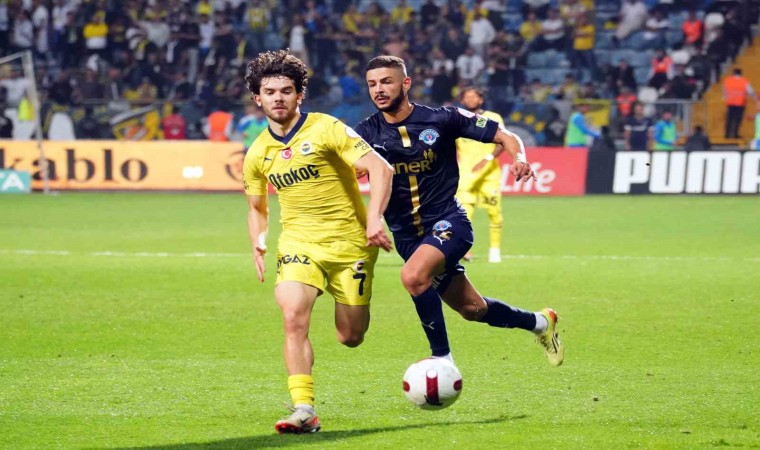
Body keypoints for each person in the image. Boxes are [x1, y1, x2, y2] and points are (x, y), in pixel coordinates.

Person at [355, 55, 564, 371]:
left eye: (386, 81)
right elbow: (343, 169)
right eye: (372, 84)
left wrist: (519, 158)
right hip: (408, 238)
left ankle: (442, 360)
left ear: (406, 83)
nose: (378, 90)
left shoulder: (443, 118)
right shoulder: (364, 133)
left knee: (413, 276)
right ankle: (540, 323)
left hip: (448, 223)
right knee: (472, 309)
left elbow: (505, 135)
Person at [241, 50, 393, 434]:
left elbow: (380, 168)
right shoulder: (257, 153)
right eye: (269, 92)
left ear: (299, 94)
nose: (278, 98)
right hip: (298, 244)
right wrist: (259, 241)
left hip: (351, 245)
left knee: (350, 336)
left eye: (286, 91)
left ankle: (349, 316)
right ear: (257, 98)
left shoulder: (327, 128)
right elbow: (257, 207)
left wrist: (374, 218)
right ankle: (304, 409)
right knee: (292, 314)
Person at [455, 87, 505, 263]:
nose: (470, 99)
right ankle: (464, 250)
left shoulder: (493, 117)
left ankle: (495, 250)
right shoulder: (456, 119)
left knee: (494, 212)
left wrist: (487, 159)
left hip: (489, 174)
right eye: (467, 96)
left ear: (480, 99)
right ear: (462, 100)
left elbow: (503, 141)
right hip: (466, 175)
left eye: (473, 96)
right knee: (463, 214)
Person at [723, 68, 755, 139]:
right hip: (740, 103)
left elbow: (725, 91)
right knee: (738, 119)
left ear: (733, 73)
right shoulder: (744, 81)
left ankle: (727, 134)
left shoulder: (728, 81)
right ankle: (735, 134)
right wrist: (755, 98)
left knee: (729, 119)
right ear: (741, 73)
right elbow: (751, 92)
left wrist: (726, 98)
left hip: (730, 103)